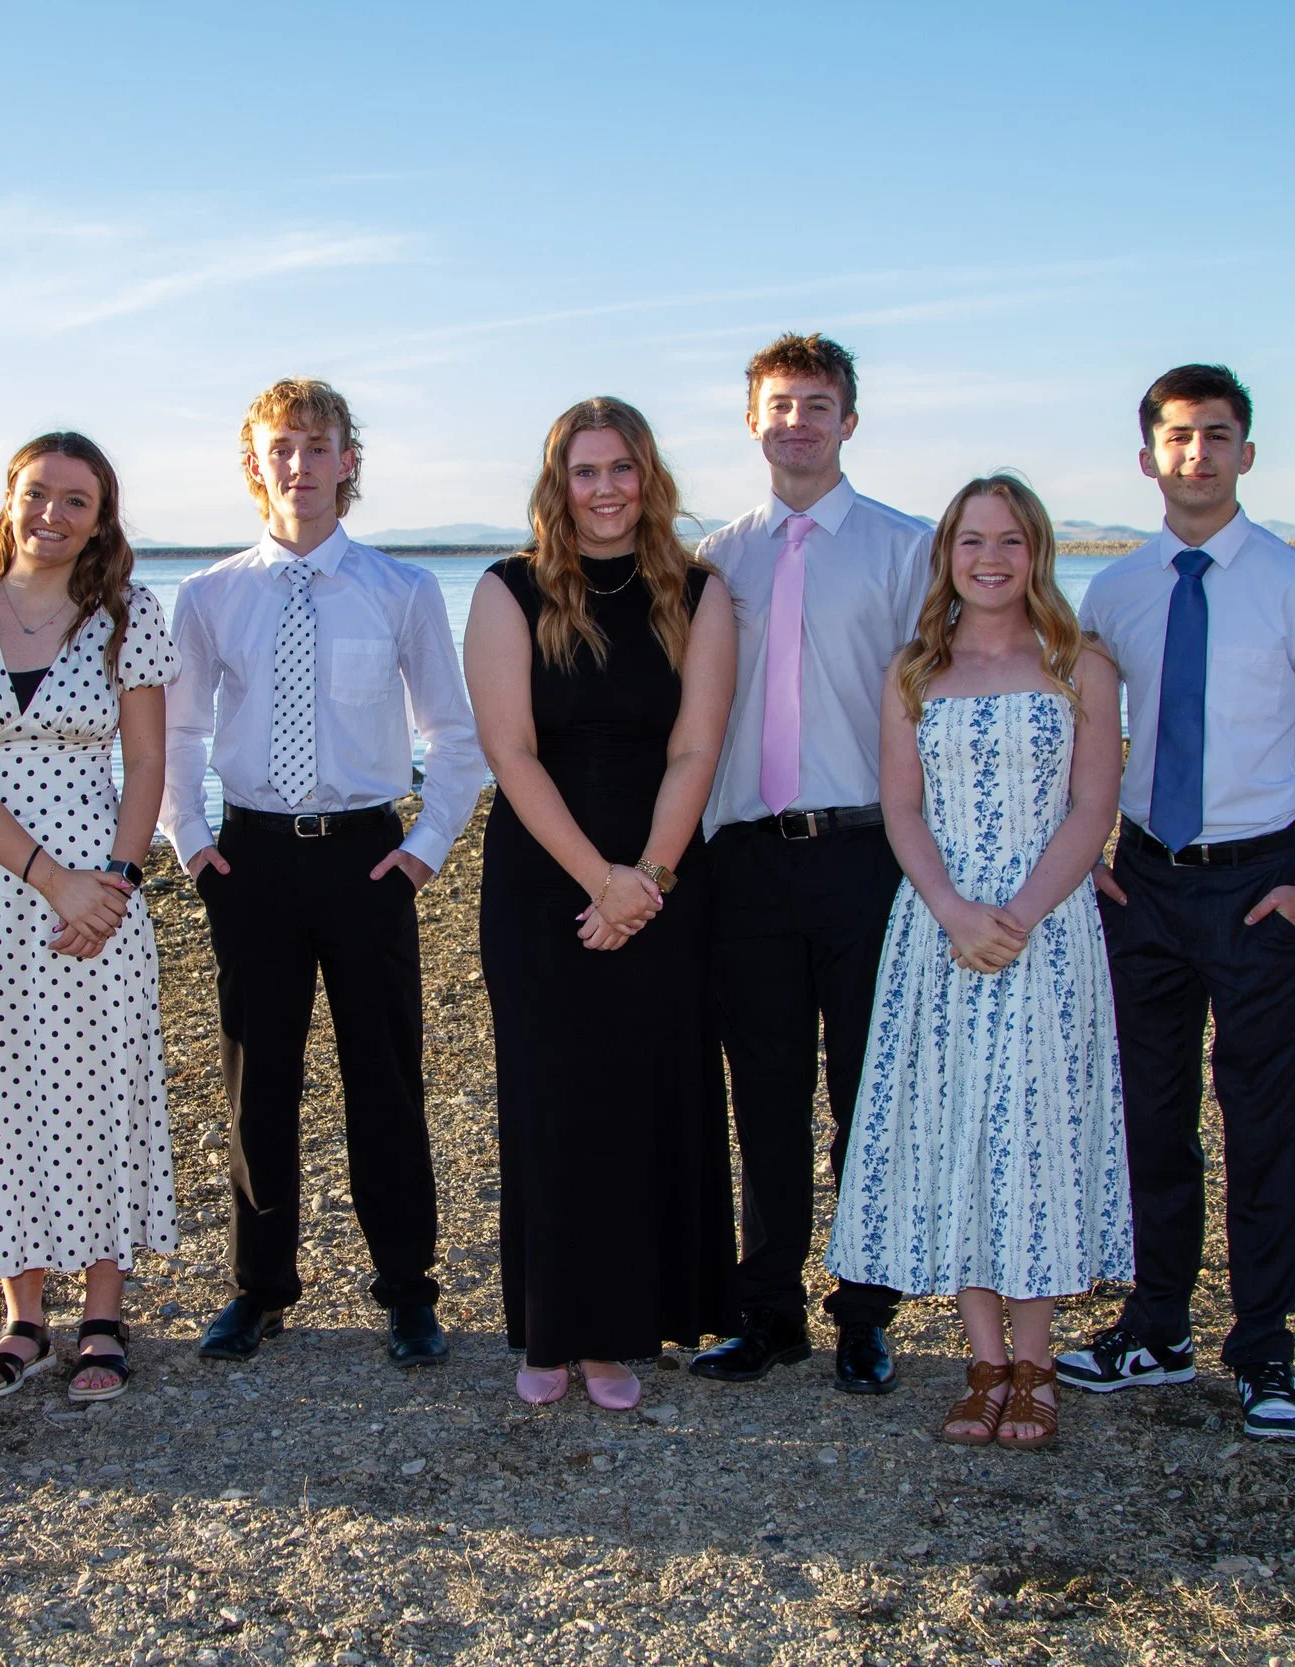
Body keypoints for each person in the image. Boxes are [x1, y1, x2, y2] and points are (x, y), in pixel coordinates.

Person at [1060, 364, 1295, 1442]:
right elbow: (1074, 733)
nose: (1195, 453)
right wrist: (1083, 857)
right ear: (1146, 455)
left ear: (1247, 452)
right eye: (1176, 436)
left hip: (1259, 889)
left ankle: (1263, 1349)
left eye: (1216, 435)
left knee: (1260, 1124)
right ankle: (1155, 1327)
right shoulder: (1113, 591)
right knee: (1150, 1121)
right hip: (1142, 884)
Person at [162, 378, 485, 1368]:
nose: (298, 463)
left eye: (317, 444)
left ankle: (407, 1289)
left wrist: (423, 851)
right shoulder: (210, 593)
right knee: (257, 1081)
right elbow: (180, 725)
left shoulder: (402, 588)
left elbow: (454, 733)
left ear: (349, 461)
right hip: (251, 855)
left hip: (365, 857)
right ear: (254, 464)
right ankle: (259, 1287)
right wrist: (192, 843)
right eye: (280, 446)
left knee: (383, 1079)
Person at [825, 475, 1132, 1449]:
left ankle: (1036, 1363)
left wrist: (1023, 913)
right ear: (947, 554)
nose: (989, 557)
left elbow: (1093, 806)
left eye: (1008, 539)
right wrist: (954, 910)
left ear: (1036, 551)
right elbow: (902, 808)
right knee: (958, 1128)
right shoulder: (913, 669)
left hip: (1046, 930)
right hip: (939, 928)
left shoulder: (1078, 664)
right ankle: (982, 1356)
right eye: (970, 540)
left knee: (1034, 1136)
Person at [464, 397, 737, 1409]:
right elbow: (510, 752)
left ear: (647, 474)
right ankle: (550, 1327)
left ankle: (620, 1330)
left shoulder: (697, 591)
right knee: (551, 1101)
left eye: (622, 467)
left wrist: (648, 880)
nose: (606, 487)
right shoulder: (506, 588)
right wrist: (600, 881)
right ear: (558, 483)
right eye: (586, 471)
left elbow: (695, 747)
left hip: (664, 875)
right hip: (546, 879)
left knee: (640, 1098)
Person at [0, 432, 180, 1402]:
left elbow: (145, 763)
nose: (53, 514)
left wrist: (112, 880)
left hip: (100, 894)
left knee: (98, 1084)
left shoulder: (129, 614)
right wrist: (46, 876)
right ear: (9, 499)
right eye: (38, 494)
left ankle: (102, 1312)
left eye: (76, 500)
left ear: (100, 517)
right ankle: (25, 1316)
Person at [690, 334, 934, 1394]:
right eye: (779, 404)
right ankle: (767, 1310)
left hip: (865, 853)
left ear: (849, 421)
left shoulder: (905, 549)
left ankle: (865, 1311)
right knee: (766, 1095)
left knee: (865, 1093)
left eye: (818, 403)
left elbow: (942, 701)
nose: (797, 420)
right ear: (751, 417)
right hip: (745, 861)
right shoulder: (713, 559)